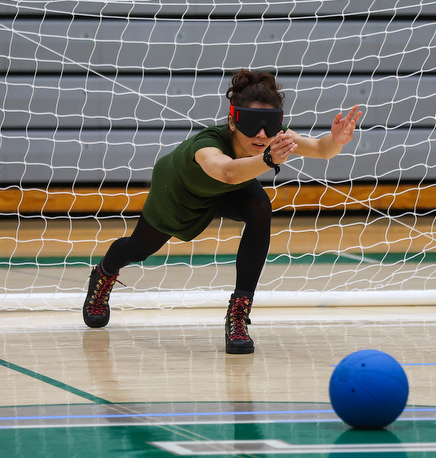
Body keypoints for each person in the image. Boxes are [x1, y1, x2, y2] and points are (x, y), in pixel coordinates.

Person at [83, 69, 362, 354]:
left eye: (269, 124)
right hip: (180, 190)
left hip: (227, 190)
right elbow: (226, 172)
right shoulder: (207, 147)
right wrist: (267, 159)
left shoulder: (273, 139)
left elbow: (320, 148)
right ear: (232, 121)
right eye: (252, 124)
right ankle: (104, 273)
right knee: (138, 249)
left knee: (259, 206)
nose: (262, 134)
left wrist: (337, 140)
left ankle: (238, 313)